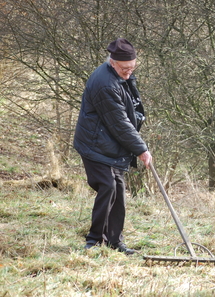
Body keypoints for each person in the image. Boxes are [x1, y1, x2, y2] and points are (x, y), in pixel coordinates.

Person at [73, 38, 152, 255]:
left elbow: (128, 112)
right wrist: (141, 149)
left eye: (132, 68)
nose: (129, 73)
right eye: (125, 69)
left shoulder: (119, 76)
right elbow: (119, 123)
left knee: (118, 191)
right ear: (112, 62)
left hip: (109, 144)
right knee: (108, 186)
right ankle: (94, 241)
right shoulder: (105, 84)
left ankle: (115, 241)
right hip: (95, 145)